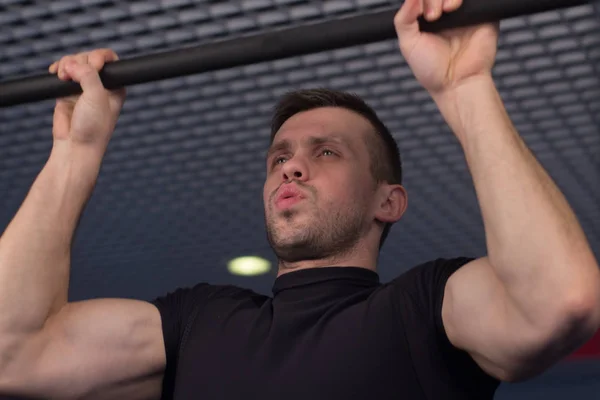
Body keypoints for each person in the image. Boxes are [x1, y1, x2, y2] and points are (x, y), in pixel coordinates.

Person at [0, 0, 599, 398]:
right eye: (280, 155)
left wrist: (467, 89)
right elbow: (13, 351)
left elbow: (559, 301)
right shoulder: (200, 322)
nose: (291, 164)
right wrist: (75, 152)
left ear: (388, 202)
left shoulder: (425, 310)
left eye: (327, 152)